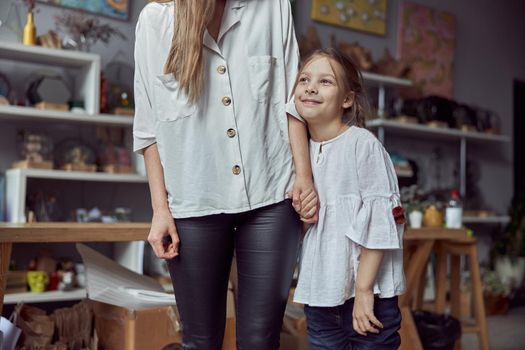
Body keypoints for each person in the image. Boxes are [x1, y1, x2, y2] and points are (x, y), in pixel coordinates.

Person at [132, 1, 318, 349]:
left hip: (271, 196)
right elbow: (148, 129)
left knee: (260, 342)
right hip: (193, 201)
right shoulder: (155, 21)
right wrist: (160, 210)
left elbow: (293, 103)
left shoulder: (272, 7)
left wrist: (304, 177)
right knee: (200, 342)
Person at [287, 48, 406, 350]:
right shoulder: (299, 155)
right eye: (304, 79)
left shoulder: (362, 144)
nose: (311, 87)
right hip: (322, 297)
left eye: (325, 81)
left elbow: (381, 223)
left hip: (371, 298)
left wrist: (364, 290)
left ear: (347, 99)